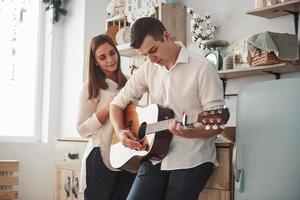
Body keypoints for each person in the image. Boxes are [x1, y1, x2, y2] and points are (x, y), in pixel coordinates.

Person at [110, 17, 227, 200]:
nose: (151, 59)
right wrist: (119, 132)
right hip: (155, 156)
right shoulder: (149, 68)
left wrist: (189, 132)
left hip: (192, 159)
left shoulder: (203, 68)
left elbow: (217, 126)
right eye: (145, 55)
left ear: (166, 36)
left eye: (153, 50)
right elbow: (117, 104)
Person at [77, 34, 135, 200]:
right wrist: (110, 108)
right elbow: (81, 129)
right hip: (100, 157)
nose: (110, 59)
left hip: (127, 156)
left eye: (112, 53)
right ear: (95, 61)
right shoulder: (90, 88)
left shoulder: (130, 84)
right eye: (103, 57)